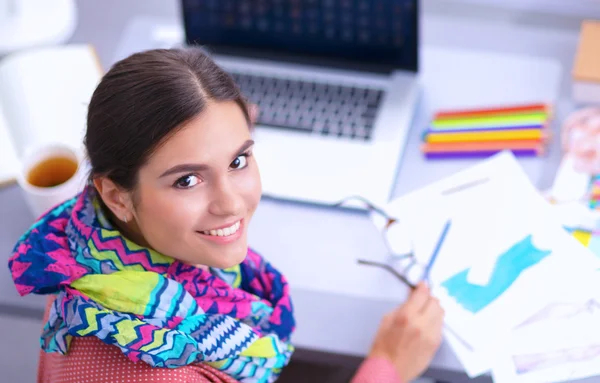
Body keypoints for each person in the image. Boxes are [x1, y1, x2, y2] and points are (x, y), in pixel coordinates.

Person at [8, 48, 444, 383]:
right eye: (186, 180)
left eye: (238, 161)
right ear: (117, 195)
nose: (231, 203)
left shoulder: (84, 241)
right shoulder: (157, 372)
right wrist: (387, 367)